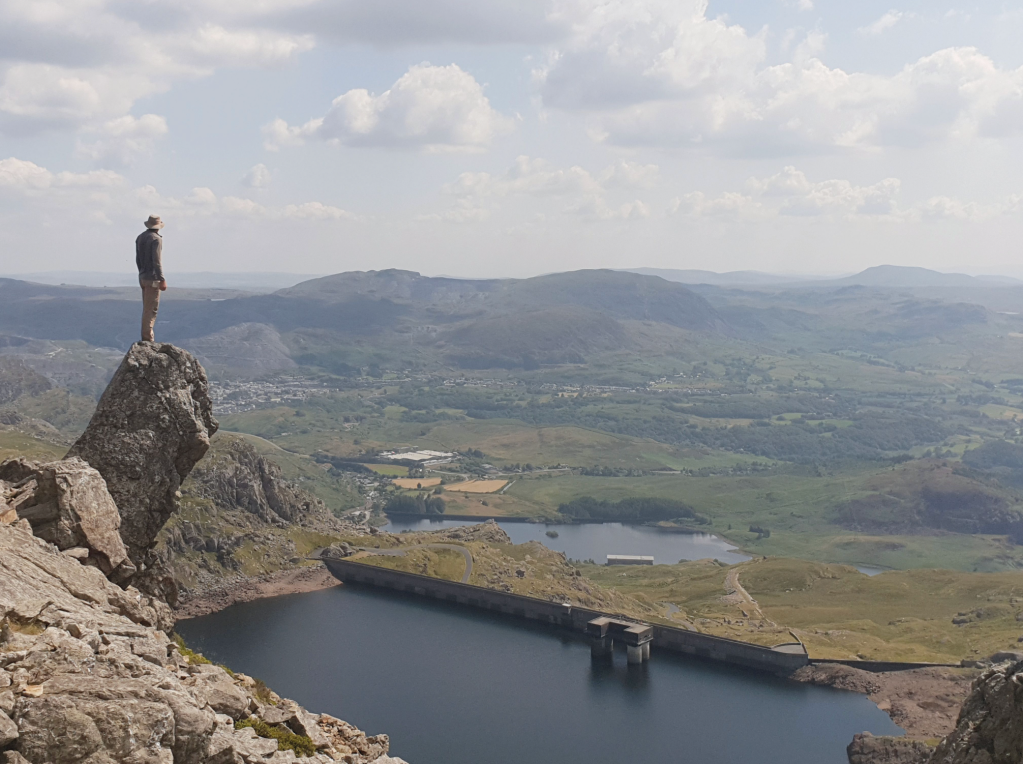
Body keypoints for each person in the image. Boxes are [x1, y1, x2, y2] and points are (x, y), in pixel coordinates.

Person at [136, 215, 167, 342]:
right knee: (151, 310)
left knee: (146, 308)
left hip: (143, 277)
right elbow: (157, 261)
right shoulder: (156, 239)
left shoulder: (140, 237)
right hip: (153, 279)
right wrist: (162, 279)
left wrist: (141, 273)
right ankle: (148, 339)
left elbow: (138, 259)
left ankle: (146, 337)